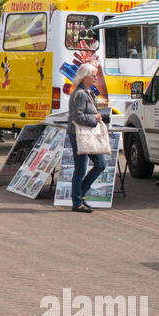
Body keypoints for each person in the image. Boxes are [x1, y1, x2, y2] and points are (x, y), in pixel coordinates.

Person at [67, 63, 107, 213]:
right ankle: (77, 201)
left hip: (88, 134)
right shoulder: (80, 94)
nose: (96, 77)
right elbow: (77, 116)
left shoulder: (89, 92)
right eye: (93, 75)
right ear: (84, 77)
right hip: (79, 134)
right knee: (81, 168)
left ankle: (80, 195)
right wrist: (94, 118)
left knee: (100, 164)